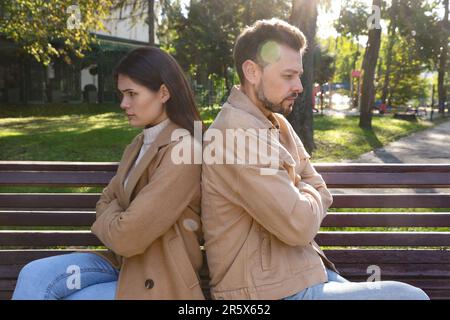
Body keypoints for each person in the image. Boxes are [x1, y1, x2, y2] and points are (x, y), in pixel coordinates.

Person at [201, 18, 429, 300]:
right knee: (411, 297)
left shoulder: (277, 124)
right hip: (266, 292)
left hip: (301, 273)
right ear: (252, 71)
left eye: (298, 75)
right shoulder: (235, 135)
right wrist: (308, 192)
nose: (299, 86)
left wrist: (302, 193)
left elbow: (316, 188)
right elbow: (300, 224)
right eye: (288, 76)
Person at [12, 47, 205, 300]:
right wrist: (118, 219)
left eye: (132, 94)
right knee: (33, 275)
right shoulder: (137, 144)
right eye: (122, 94)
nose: (123, 104)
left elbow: (128, 238)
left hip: (157, 276)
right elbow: (105, 199)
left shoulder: (185, 150)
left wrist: (114, 217)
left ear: (164, 92)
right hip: (121, 263)